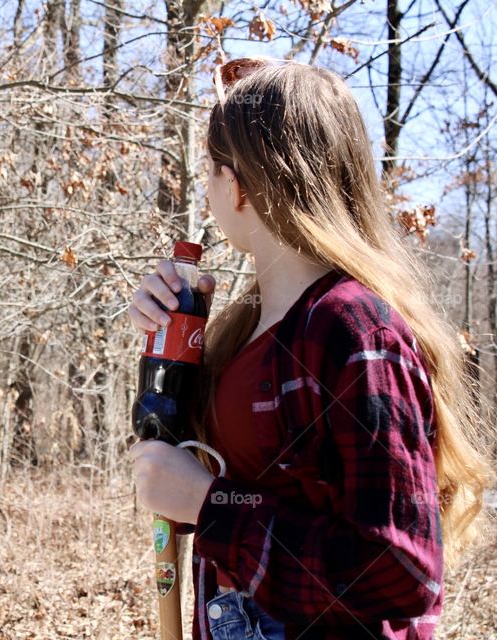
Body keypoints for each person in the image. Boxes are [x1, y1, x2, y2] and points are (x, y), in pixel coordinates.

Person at [126, 59, 492, 640]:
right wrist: (165, 355)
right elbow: (200, 470)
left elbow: (399, 570)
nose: (207, 190)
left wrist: (211, 507)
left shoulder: (354, 330)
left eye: (210, 172)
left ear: (240, 184)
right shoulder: (245, 326)